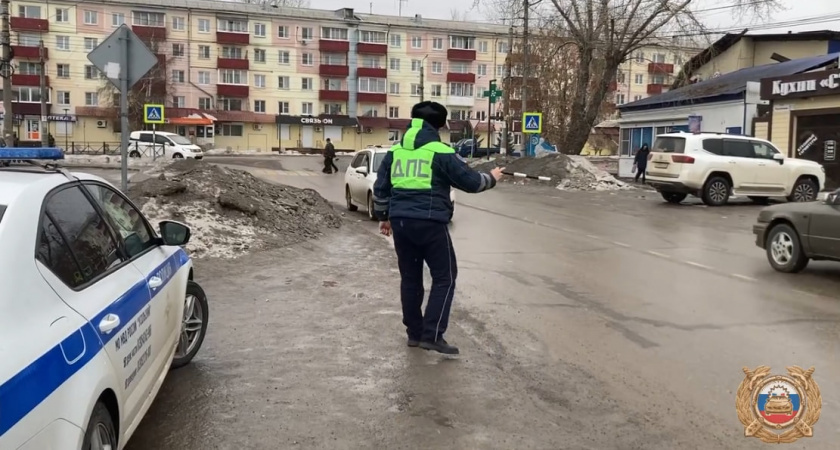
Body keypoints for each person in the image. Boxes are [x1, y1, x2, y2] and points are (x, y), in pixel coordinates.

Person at [373, 101, 505, 355]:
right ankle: (432, 335)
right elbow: (471, 182)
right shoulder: (440, 151)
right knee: (445, 277)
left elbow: (381, 187)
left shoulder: (396, 151)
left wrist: (384, 216)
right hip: (431, 223)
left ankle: (414, 334)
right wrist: (493, 177)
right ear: (440, 125)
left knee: (410, 279)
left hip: (400, 222)